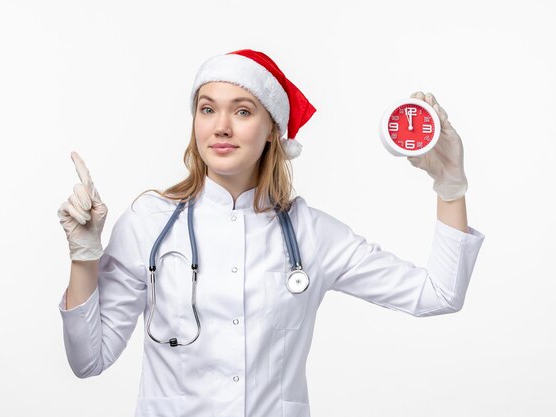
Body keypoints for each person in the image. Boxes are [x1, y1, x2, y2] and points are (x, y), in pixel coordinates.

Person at [57, 49, 485, 417]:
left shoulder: (312, 234)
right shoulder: (149, 222)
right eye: (208, 109)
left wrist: (450, 184)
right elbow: (88, 360)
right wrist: (84, 256)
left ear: (272, 131)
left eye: (242, 111)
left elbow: (440, 294)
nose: (220, 126)